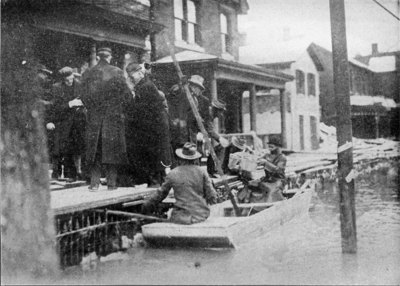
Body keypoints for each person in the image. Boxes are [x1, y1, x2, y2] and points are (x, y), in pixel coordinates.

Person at [80, 47, 132, 191]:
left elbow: (83, 96)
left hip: (94, 118)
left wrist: (92, 109)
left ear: (98, 57)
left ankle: (94, 184)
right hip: (112, 118)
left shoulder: (88, 73)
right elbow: (127, 96)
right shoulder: (117, 72)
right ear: (109, 57)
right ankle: (111, 184)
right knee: (112, 152)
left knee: (95, 151)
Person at [141, 142, 217, 224]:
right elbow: (212, 196)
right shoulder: (202, 172)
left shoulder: (173, 173)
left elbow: (160, 194)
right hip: (201, 216)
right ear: (195, 159)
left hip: (181, 217)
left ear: (180, 159)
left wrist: (146, 206)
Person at [126, 62, 172, 187]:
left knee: (153, 153)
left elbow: (144, 109)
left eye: (132, 76)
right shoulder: (143, 85)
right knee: (154, 153)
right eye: (129, 77)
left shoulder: (145, 86)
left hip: (153, 126)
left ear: (140, 73)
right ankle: (158, 180)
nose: (131, 78)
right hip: (153, 124)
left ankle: (155, 181)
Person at [167, 75, 229, 162]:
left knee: (192, 159)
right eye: (199, 88)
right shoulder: (183, 93)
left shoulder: (195, 100)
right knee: (180, 158)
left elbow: (198, 119)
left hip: (190, 135)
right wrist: (181, 85)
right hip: (180, 134)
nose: (200, 91)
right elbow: (174, 92)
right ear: (193, 86)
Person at [46, 67, 86, 181]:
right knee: (65, 149)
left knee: (79, 148)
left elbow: (86, 99)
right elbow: (54, 107)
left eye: (71, 79)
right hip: (64, 122)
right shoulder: (56, 88)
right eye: (67, 80)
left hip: (79, 122)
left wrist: (82, 103)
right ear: (63, 79)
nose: (70, 82)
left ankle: (79, 174)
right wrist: (69, 104)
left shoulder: (80, 85)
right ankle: (66, 174)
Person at [248, 137, 287, 203]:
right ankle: (249, 205)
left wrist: (266, 163)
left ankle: (270, 205)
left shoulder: (282, 158)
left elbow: (278, 170)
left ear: (278, 147)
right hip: (267, 179)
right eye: (269, 147)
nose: (270, 149)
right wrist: (251, 154)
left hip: (278, 180)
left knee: (272, 192)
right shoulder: (267, 155)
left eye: (272, 147)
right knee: (249, 185)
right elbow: (257, 159)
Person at [205, 98, 231, 176]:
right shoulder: (209, 114)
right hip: (193, 134)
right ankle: (212, 171)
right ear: (217, 110)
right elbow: (209, 130)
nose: (222, 114)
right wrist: (219, 138)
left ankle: (212, 171)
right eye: (221, 111)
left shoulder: (211, 114)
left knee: (217, 149)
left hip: (200, 135)